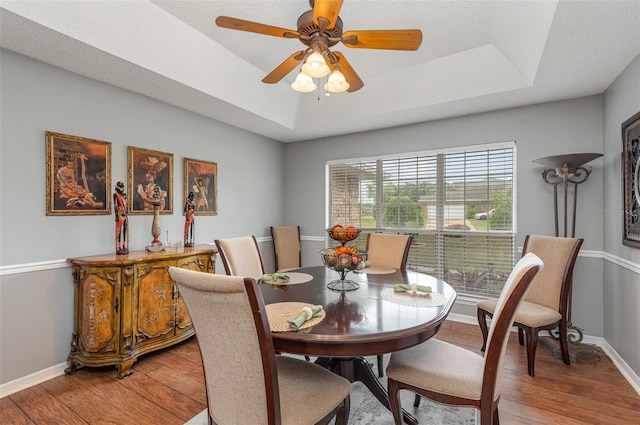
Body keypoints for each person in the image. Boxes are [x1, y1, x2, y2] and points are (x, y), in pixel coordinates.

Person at [113, 181, 128, 254]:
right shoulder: (115, 195)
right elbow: (115, 205)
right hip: (119, 213)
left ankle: (124, 244)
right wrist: (116, 215)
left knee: (125, 229)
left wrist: (126, 213)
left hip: (124, 213)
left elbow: (126, 204)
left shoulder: (125, 195)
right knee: (119, 230)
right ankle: (118, 246)